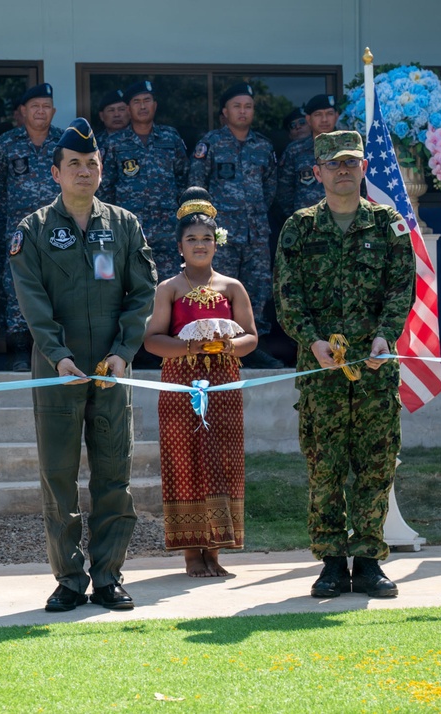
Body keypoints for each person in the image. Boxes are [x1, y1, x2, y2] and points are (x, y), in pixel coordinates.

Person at [9, 118, 157, 612]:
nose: (83, 171)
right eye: (73, 164)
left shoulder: (124, 224)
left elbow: (141, 294)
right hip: (58, 371)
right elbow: (32, 300)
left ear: (101, 170)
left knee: (114, 474)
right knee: (59, 475)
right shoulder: (32, 230)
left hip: (113, 370)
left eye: (91, 164)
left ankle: (109, 575)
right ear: (55, 172)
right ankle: (70, 578)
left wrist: (123, 351)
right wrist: (59, 355)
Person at [273, 131, 414, 599]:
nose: (342, 170)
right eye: (333, 163)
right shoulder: (299, 227)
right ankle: (332, 562)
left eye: (350, 162)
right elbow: (286, 296)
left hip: (374, 369)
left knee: (376, 464)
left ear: (364, 168)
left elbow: (401, 289)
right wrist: (311, 341)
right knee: (325, 466)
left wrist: (383, 335)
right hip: (321, 372)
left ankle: (369, 560)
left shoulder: (387, 224)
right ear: (317, 172)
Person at [143, 188, 257, 577]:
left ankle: (216, 550)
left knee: (222, 461)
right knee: (184, 461)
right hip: (181, 384)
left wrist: (228, 344)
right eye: (191, 239)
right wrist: (186, 345)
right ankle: (192, 551)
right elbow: (152, 340)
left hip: (223, 383)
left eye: (206, 238)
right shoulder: (169, 289)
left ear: (216, 243)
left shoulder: (232, 287)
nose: (199, 245)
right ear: (179, 246)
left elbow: (251, 338)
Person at [189, 83, 281, 368]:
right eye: (237, 106)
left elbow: (271, 189)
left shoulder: (263, 146)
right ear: (225, 112)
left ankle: (253, 348)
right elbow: (196, 187)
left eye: (248, 106)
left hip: (256, 234)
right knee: (217, 290)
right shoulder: (211, 144)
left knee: (257, 290)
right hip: (220, 235)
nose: (243, 111)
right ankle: (215, 348)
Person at [0, 83, 63, 371]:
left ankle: (54, 348)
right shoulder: (6, 144)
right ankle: (19, 349)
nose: (40, 111)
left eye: (45, 106)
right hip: (17, 229)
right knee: (16, 286)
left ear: (53, 111)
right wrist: (8, 214)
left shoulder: (64, 141)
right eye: (34, 107)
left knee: (57, 285)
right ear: (22, 111)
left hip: (58, 229)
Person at [99, 80, 189, 279]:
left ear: (155, 105)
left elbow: (183, 179)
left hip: (167, 230)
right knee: (134, 289)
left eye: (147, 101)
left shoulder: (170, 138)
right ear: (128, 109)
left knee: (169, 287)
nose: (142, 106)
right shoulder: (114, 143)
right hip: (131, 230)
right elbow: (105, 188)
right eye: (136, 102)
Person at [277, 94, 339, 217]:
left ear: (336, 116)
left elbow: (361, 186)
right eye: (318, 115)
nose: (325, 119)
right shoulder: (295, 151)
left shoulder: (350, 147)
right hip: (307, 225)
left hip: (342, 223)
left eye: (329, 114)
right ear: (308, 119)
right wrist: (297, 219)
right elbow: (284, 192)